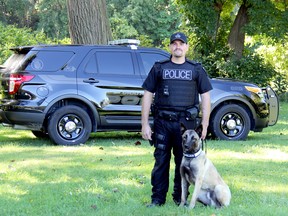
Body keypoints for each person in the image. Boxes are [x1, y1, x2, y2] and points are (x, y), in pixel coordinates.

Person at [141, 32, 213, 207]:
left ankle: (179, 197)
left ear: (187, 47)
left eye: (182, 43)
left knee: (185, 163)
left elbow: (206, 97)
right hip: (162, 123)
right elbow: (147, 95)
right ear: (170, 47)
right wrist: (144, 124)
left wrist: (205, 123)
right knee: (161, 163)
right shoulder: (159, 68)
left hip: (187, 125)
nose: (178, 46)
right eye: (174, 43)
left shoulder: (196, 69)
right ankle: (157, 199)